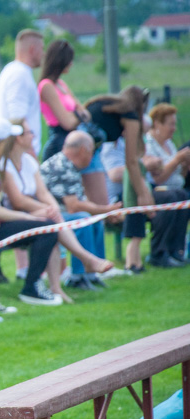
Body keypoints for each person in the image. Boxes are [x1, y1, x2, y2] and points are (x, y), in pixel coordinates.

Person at [0, 117, 114, 304]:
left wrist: (50, 207)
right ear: (17, 138)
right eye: (29, 132)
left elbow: (43, 192)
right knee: (50, 226)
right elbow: (18, 201)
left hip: (23, 216)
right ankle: (36, 285)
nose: (33, 135)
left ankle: (57, 286)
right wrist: (43, 210)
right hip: (7, 221)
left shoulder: (28, 161)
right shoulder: (2, 166)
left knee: (54, 223)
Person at [40, 131, 122, 290]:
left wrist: (103, 212)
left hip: (61, 212)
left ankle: (92, 274)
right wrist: (105, 210)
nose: (92, 156)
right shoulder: (61, 166)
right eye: (92, 152)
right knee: (83, 219)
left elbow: (76, 202)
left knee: (93, 220)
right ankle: (78, 277)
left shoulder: (69, 165)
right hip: (47, 215)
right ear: (84, 150)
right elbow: (73, 206)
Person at [131, 103, 190, 267]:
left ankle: (176, 251)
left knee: (182, 195)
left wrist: (184, 166)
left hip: (173, 190)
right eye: (171, 123)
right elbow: (159, 178)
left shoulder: (169, 144)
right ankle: (159, 252)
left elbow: (178, 178)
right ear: (157, 123)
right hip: (151, 190)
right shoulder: (149, 144)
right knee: (172, 198)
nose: (174, 128)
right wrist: (177, 160)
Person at [84, 85, 153, 208]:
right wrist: (142, 194)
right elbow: (131, 161)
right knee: (101, 207)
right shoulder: (130, 115)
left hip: (75, 151)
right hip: (84, 154)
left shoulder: (104, 103)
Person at [0, 29, 44, 156]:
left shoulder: (9, 69)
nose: (43, 54)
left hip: (10, 150)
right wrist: (30, 154)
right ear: (32, 49)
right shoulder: (20, 74)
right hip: (20, 153)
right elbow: (17, 118)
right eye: (41, 48)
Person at [38, 39, 92, 161]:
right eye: (69, 60)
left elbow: (85, 113)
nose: (71, 64)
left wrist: (74, 115)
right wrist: (78, 115)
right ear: (60, 61)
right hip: (59, 142)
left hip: (74, 139)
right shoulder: (46, 86)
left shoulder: (61, 84)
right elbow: (67, 123)